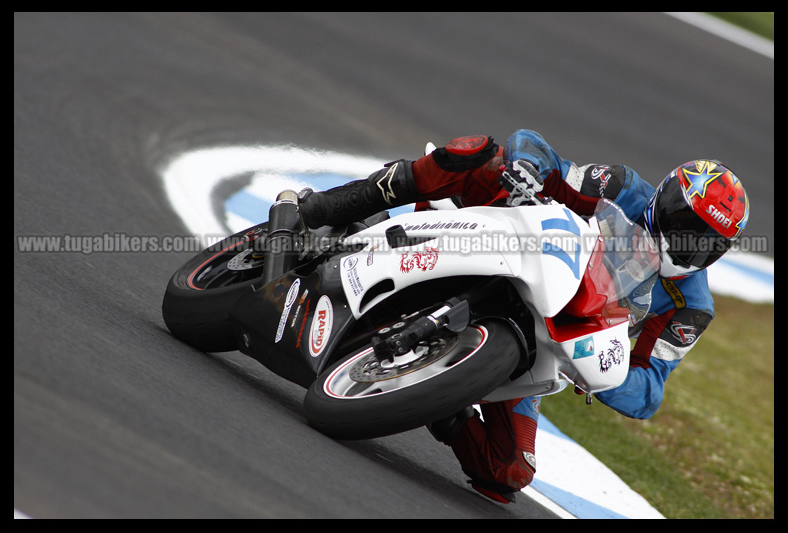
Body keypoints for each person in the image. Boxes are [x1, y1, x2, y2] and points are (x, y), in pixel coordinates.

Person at [298, 130, 750, 504]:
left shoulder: (690, 308)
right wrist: (528, 166)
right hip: (510, 247)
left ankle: (435, 396)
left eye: (706, 242)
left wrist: (600, 371)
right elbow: (541, 153)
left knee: (509, 470)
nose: (687, 244)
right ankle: (337, 205)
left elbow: (649, 389)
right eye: (683, 222)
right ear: (666, 198)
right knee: (481, 155)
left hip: (545, 340)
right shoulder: (623, 188)